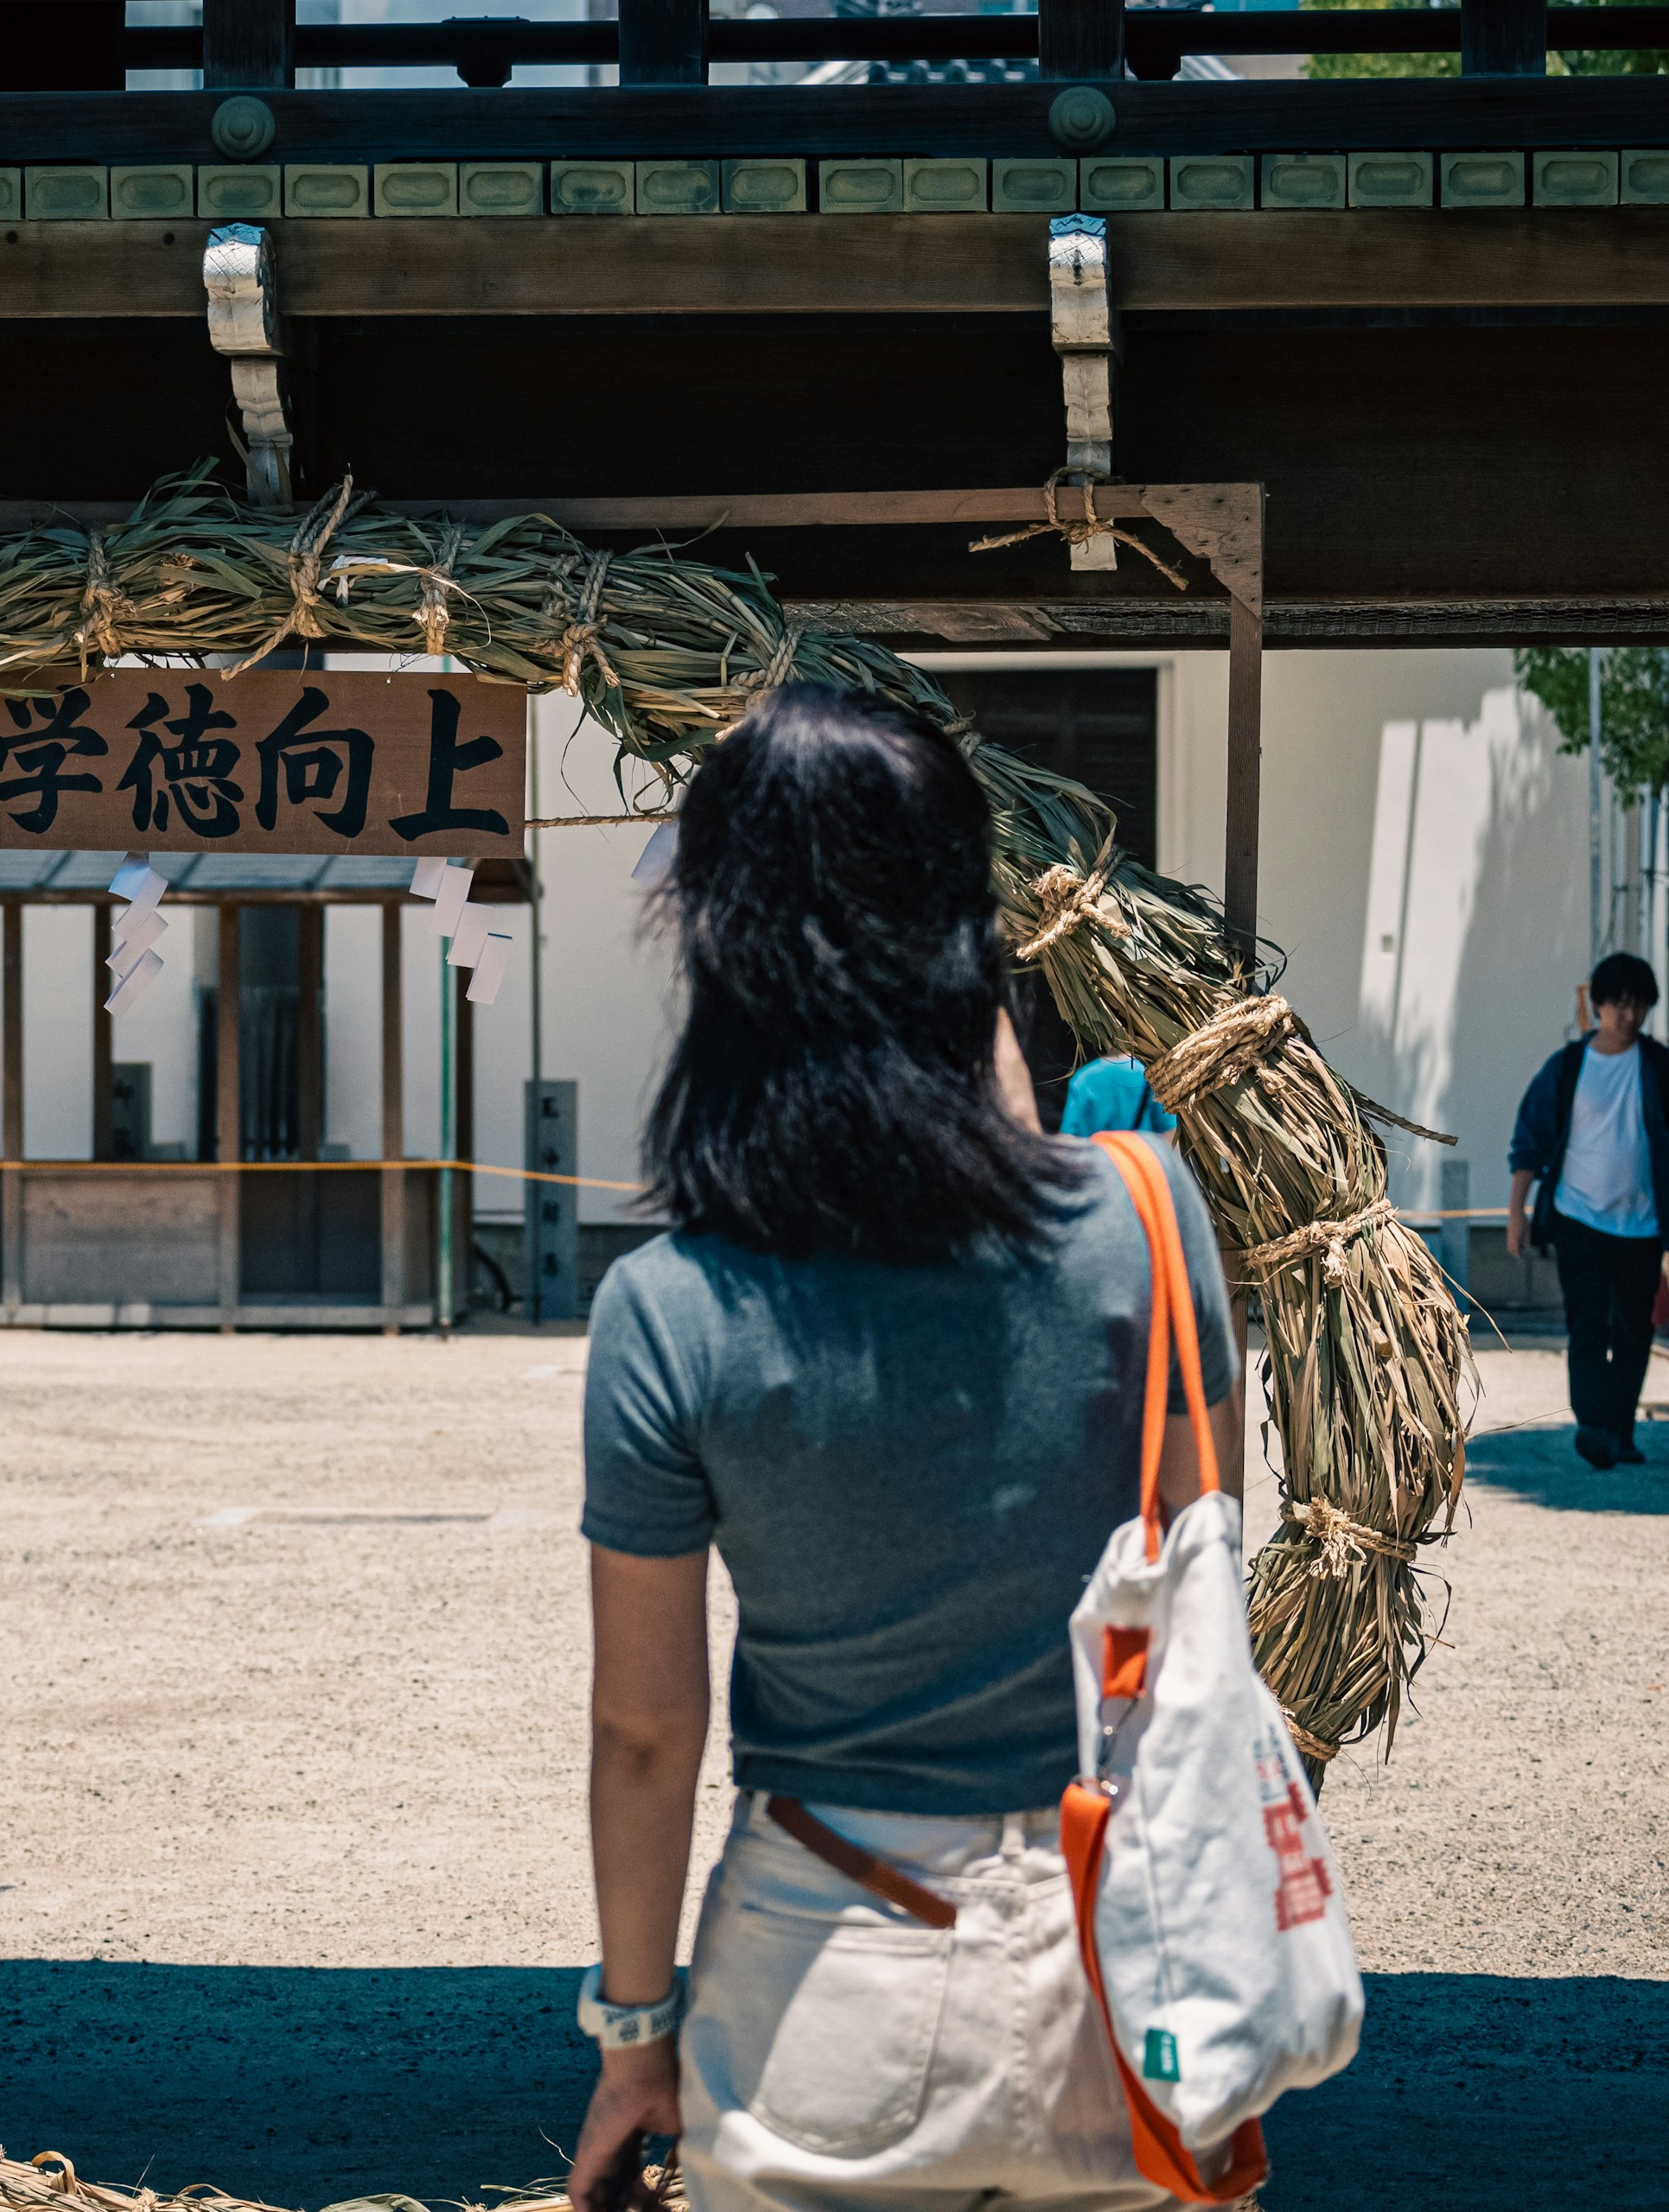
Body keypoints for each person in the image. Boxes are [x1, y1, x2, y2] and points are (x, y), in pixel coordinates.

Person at [570, 685, 1246, 2212]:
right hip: (1117, 1965)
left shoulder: (669, 1311)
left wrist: (633, 2037)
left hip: (827, 1970)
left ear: (719, 946)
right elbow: (1207, 1569)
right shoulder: (1146, 1222)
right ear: (970, 933)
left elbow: (644, 1733)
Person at [1505, 953, 1669, 1469]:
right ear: (1598, 1004)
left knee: (1634, 1327)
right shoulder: (1566, 1069)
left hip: (1644, 1223)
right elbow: (1529, 1144)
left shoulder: (1662, 1067)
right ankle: (1591, 1426)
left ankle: (1620, 1431)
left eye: (1640, 1005)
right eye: (1619, 1004)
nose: (1629, 1015)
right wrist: (1518, 1213)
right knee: (1586, 1323)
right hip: (1576, 1218)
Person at [1057, 1051, 1179, 1140]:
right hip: (1141, 1165)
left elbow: (1068, 1137)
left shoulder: (1084, 1078)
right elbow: (1169, 1132)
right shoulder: (1150, 1075)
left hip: (1098, 1168)